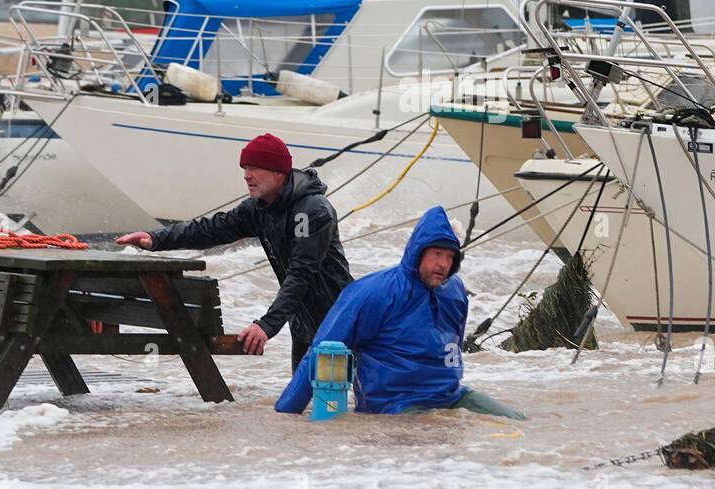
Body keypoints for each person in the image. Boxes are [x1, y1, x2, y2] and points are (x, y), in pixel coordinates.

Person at [116, 133, 351, 372]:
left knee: (337, 401)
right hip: (302, 322)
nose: (247, 175)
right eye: (245, 168)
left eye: (255, 168)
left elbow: (302, 273)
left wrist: (267, 325)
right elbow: (210, 229)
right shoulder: (259, 209)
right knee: (300, 405)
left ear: (279, 172)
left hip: (339, 320)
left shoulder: (312, 210)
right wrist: (155, 238)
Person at [275, 206, 525, 419]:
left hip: (450, 396)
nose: (443, 264)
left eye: (450, 257)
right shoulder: (373, 292)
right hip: (394, 403)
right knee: (438, 434)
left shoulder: (455, 290)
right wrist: (285, 416)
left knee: (519, 422)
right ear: (418, 252)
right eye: (437, 254)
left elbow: (454, 345)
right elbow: (321, 352)